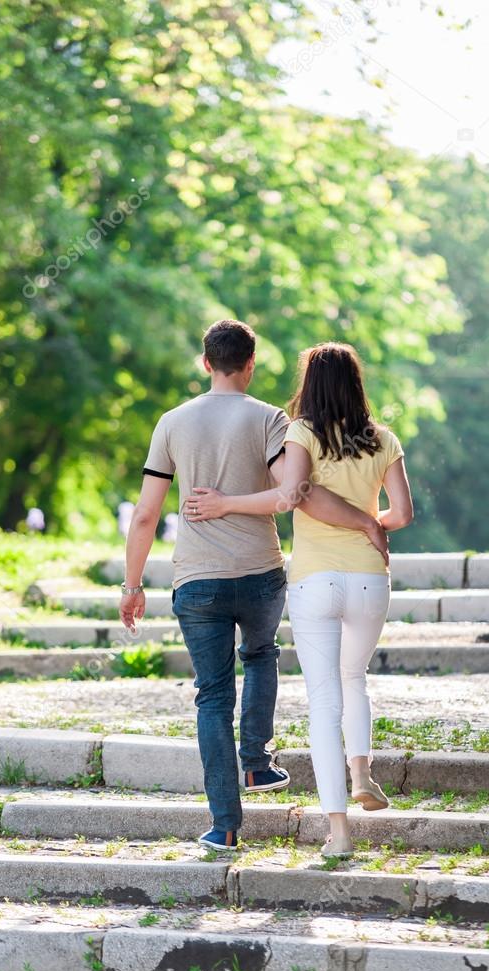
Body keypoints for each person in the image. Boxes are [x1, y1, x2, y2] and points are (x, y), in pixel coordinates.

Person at [119, 322, 389, 852]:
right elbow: (291, 494)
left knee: (212, 697)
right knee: (262, 654)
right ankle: (256, 764)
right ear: (251, 364)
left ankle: (224, 825)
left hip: (197, 579)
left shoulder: (171, 423)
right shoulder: (271, 419)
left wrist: (133, 584)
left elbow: (147, 515)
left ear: (205, 363)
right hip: (262, 572)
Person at [186, 342, 413, 858]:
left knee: (323, 700)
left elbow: (291, 496)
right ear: (356, 384)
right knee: (355, 679)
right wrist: (369, 524)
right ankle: (363, 774)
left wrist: (224, 504)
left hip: (315, 580)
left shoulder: (301, 432)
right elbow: (401, 513)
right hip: (369, 577)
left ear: (309, 384)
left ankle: (339, 834)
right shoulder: (385, 439)